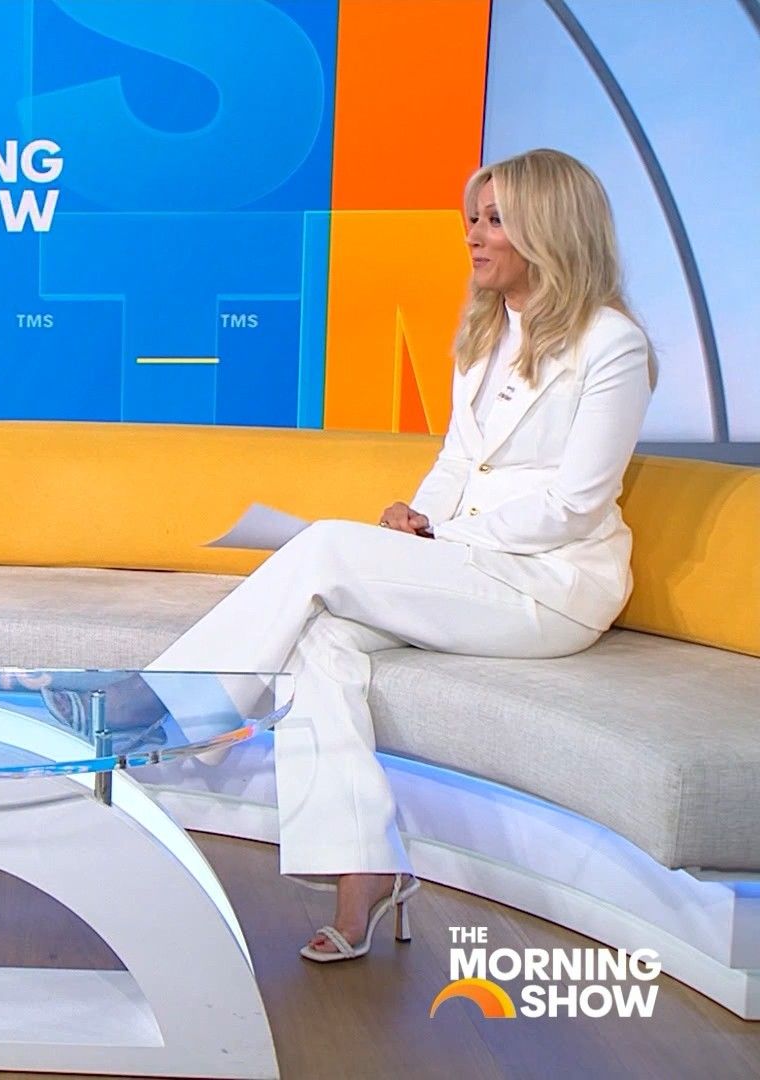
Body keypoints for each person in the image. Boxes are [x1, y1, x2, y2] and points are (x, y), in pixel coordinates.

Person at [149, 148, 654, 962]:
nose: (473, 236)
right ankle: (363, 870)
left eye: (494, 220)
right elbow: (459, 462)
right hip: (469, 566)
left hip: (549, 586)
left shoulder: (612, 344)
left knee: (323, 548)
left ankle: (166, 714)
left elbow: (576, 504)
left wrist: (442, 538)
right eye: (472, 218)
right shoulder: (487, 333)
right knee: (321, 641)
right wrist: (417, 515)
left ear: (550, 228)